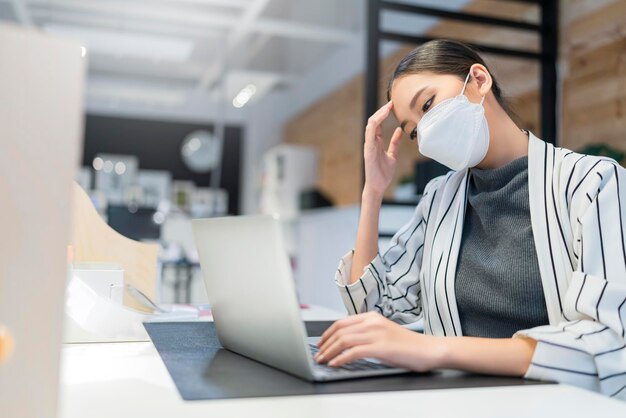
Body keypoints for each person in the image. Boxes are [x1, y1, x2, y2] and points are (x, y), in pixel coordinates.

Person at [314, 39, 626, 400]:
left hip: (555, 403)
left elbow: (607, 341)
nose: (425, 133)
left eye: (427, 105)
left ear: (479, 80)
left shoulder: (592, 182)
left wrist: (435, 350)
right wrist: (372, 193)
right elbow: (372, 311)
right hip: (459, 400)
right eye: (414, 131)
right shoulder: (439, 196)